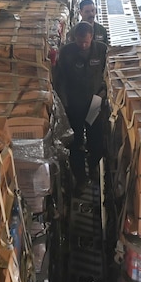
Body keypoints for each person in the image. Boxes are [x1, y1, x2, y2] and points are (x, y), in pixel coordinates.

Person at [54, 21, 108, 188]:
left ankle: (93, 167)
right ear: (75, 38)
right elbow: (60, 79)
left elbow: (108, 74)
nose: (83, 45)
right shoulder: (67, 52)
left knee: (95, 138)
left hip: (94, 103)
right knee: (75, 142)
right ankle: (80, 178)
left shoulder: (101, 50)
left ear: (92, 37)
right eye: (80, 41)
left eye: (86, 41)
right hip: (74, 104)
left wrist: (103, 94)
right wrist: (64, 102)